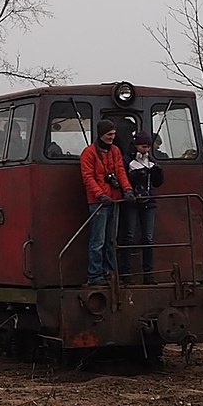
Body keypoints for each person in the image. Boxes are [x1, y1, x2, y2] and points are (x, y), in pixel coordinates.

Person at [80, 119, 134, 285]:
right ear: (102, 134)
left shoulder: (115, 151)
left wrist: (127, 189)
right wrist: (100, 195)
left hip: (114, 200)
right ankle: (95, 275)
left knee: (111, 240)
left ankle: (109, 273)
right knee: (98, 240)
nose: (112, 137)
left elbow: (120, 171)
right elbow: (88, 177)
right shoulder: (88, 153)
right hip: (99, 203)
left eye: (113, 134)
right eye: (109, 134)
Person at [121, 131, 165, 284]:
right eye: (143, 146)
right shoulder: (127, 161)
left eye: (148, 147)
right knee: (129, 237)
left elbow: (157, 183)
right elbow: (122, 180)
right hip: (132, 203)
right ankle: (126, 275)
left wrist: (158, 174)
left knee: (148, 238)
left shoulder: (152, 161)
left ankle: (149, 275)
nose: (145, 150)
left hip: (149, 202)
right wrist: (134, 178)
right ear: (136, 145)